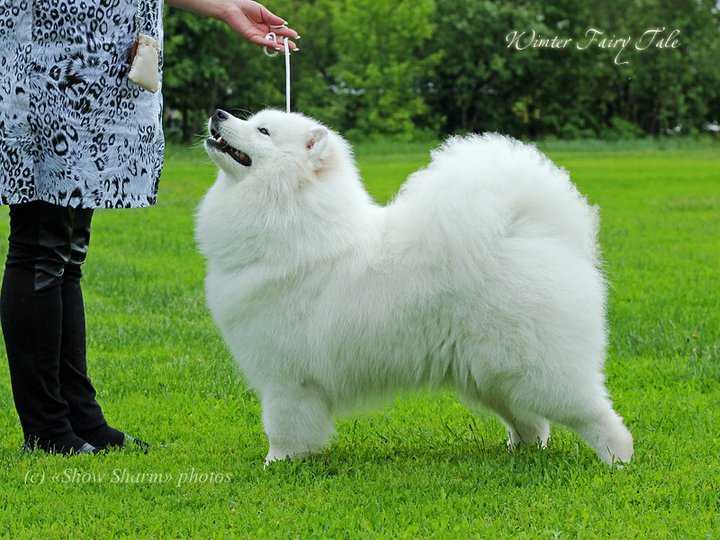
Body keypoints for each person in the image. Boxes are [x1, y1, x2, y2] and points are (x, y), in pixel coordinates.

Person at [0, 0, 298, 455]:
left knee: (66, 253)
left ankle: (80, 418)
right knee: (41, 245)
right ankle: (47, 431)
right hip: (49, 60)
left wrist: (224, 8)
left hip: (97, 67)